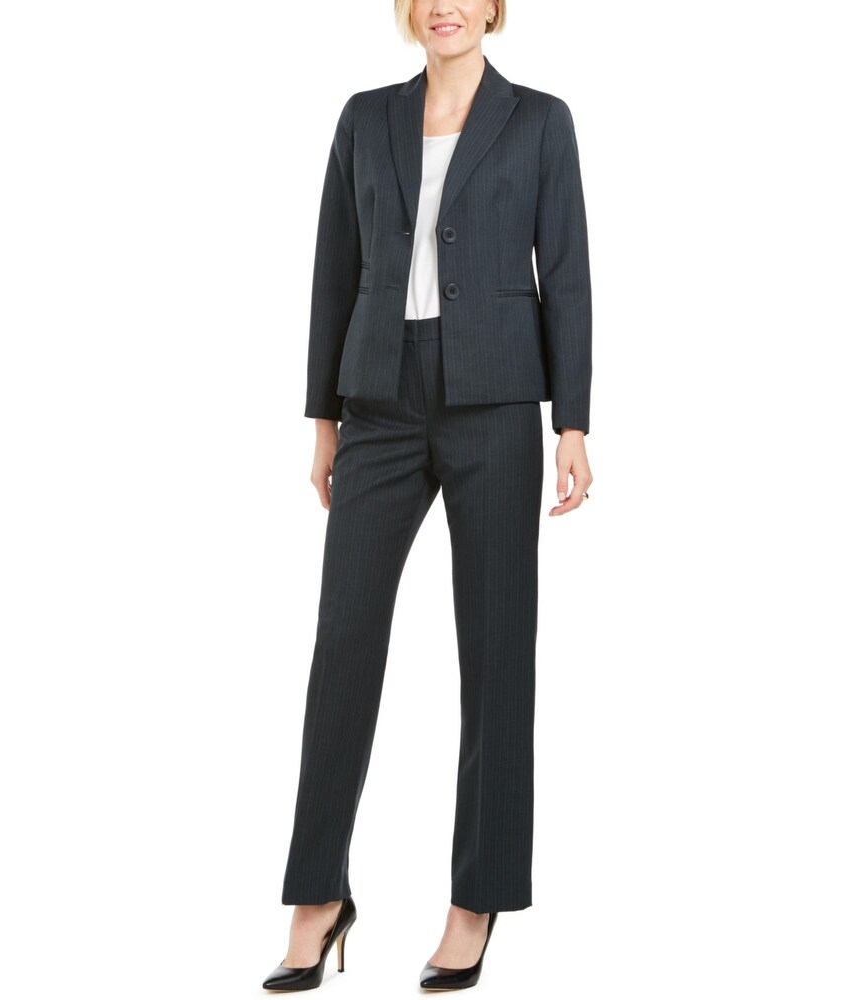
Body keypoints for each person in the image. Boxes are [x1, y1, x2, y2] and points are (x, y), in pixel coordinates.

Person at [263, 0, 593, 991]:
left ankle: (475, 898)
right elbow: (333, 268)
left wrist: (572, 422)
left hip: (496, 400)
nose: (444, 5)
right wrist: (322, 416)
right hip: (378, 400)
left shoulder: (540, 121)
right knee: (344, 642)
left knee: (495, 651)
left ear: (493, 8)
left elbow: (567, 272)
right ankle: (317, 894)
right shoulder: (364, 117)